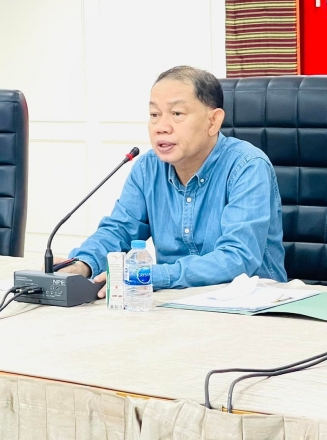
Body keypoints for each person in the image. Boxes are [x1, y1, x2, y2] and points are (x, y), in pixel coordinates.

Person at [59, 66, 287, 292]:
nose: (161, 127)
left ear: (213, 121)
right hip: (175, 304)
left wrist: (151, 275)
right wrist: (83, 264)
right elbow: (119, 231)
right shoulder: (148, 168)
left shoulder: (247, 166)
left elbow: (238, 258)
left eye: (177, 114)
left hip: (253, 300)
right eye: (154, 115)